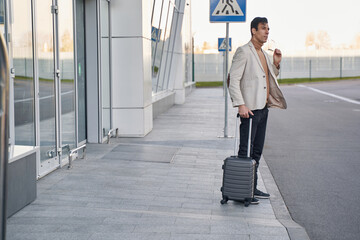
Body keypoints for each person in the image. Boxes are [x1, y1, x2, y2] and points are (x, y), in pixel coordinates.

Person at [228, 17, 287, 204]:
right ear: (253, 30)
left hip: (263, 109)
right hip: (250, 110)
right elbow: (233, 80)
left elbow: (268, 79)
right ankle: (242, 192)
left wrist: (276, 63)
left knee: (257, 151)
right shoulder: (243, 52)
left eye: (268, 28)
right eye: (263, 28)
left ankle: (251, 188)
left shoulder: (264, 54)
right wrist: (240, 104)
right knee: (246, 150)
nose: (267, 32)